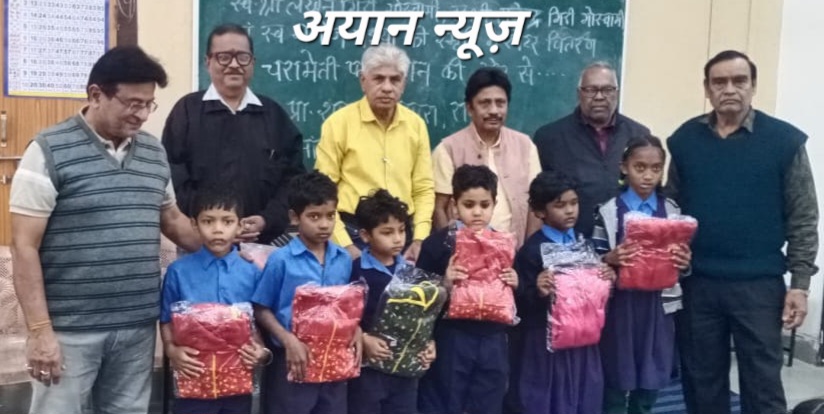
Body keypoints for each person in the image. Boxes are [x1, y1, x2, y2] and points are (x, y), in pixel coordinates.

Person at [9, 46, 201, 414]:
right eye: (132, 103)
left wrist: (224, 246)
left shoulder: (153, 153)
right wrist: (39, 331)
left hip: (135, 327)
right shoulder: (48, 150)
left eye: (148, 104)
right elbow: (23, 246)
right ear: (96, 95)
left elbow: (173, 220)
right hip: (70, 330)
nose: (141, 114)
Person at [666, 50, 819, 414]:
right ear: (707, 89)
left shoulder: (784, 142)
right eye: (719, 82)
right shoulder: (685, 140)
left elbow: (803, 216)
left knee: (762, 384)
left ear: (753, 86)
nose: (729, 89)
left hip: (758, 286)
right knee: (701, 381)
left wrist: (799, 285)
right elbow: (671, 209)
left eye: (739, 81)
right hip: (699, 284)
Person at [162, 23, 305, 245]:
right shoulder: (187, 111)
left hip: (262, 243)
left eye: (242, 57)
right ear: (208, 62)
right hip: (202, 243)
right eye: (224, 57)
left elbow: (293, 179)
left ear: (253, 62)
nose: (234, 64)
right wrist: (216, 222)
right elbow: (174, 177)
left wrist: (267, 220)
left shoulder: (273, 115)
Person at [590, 136, 691, 414]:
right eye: (640, 167)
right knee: (616, 371)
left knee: (652, 373)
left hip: (658, 307)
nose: (648, 176)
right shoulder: (608, 211)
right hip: (620, 307)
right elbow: (593, 259)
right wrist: (609, 259)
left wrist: (684, 263)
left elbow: (682, 261)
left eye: (656, 169)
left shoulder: (672, 211)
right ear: (624, 167)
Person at [315, 43, 434, 262]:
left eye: (395, 80)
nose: (387, 87)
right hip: (354, 232)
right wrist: (346, 245)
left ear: (404, 84)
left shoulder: (415, 125)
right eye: (378, 79)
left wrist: (420, 239)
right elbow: (323, 193)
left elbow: (423, 188)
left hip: (402, 236)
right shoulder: (338, 124)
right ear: (363, 81)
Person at [416, 165, 519, 414]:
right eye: (469, 205)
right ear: (454, 205)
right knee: (447, 400)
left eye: (485, 205)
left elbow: (514, 296)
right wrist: (445, 283)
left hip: (493, 337)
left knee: (488, 401)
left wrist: (516, 281)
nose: (477, 212)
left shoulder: (504, 244)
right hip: (452, 336)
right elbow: (418, 297)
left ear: (494, 204)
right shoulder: (438, 245)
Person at [159, 186, 272, 414]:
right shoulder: (179, 271)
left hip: (237, 376)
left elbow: (260, 318)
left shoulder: (251, 271)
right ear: (194, 224)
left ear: (240, 226)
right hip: (194, 375)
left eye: (227, 221)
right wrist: (171, 349)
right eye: (208, 221)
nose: (217, 229)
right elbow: (166, 319)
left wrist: (261, 351)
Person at [251, 171, 354, 414]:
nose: (324, 224)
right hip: (292, 360)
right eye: (314, 216)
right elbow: (261, 308)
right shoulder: (281, 260)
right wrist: (288, 340)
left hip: (332, 362)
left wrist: (356, 330)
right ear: (294, 217)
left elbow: (347, 305)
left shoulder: (343, 259)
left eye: (330, 215)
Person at [514, 171, 614, 414]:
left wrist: (606, 280)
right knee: (549, 399)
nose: (570, 211)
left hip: (583, 339)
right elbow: (519, 303)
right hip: (546, 344)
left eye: (574, 203)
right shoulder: (531, 251)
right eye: (560, 205)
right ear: (540, 211)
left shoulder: (585, 244)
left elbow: (594, 297)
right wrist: (538, 290)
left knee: (584, 397)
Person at [533, 62, 650, 237]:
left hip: (625, 242)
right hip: (570, 244)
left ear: (617, 93)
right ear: (579, 93)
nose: (599, 97)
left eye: (607, 90)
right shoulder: (550, 138)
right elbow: (540, 197)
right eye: (591, 90)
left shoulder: (639, 135)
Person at [347, 189, 436, 414]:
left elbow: (421, 319)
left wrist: (428, 344)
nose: (397, 238)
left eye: (402, 230)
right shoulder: (356, 271)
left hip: (404, 370)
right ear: (365, 235)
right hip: (368, 368)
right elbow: (345, 316)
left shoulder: (411, 272)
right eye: (387, 232)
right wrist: (364, 338)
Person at [431, 67, 542, 247]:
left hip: (515, 253)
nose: (494, 111)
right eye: (485, 103)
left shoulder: (525, 146)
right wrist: (451, 250)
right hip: (465, 255)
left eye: (500, 103)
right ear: (469, 108)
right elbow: (439, 209)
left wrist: (528, 253)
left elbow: (535, 204)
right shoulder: (448, 149)